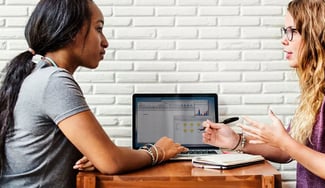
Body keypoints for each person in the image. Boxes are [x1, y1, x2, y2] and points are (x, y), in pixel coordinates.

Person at [0, 0, 187, 187]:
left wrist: (93, 154)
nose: (105, 42)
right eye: (98, 29)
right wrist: (157, 151)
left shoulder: (37, 75)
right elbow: (111, 162)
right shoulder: (53, 80)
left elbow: (102, 156)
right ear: (73, 31)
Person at [201, 0, 325, 187]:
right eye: (285, 31)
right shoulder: (320, 88)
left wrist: (284, 142)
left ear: (318, 35)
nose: (284, 40)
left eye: (293, 31)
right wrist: (236, 141)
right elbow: (289, 151)